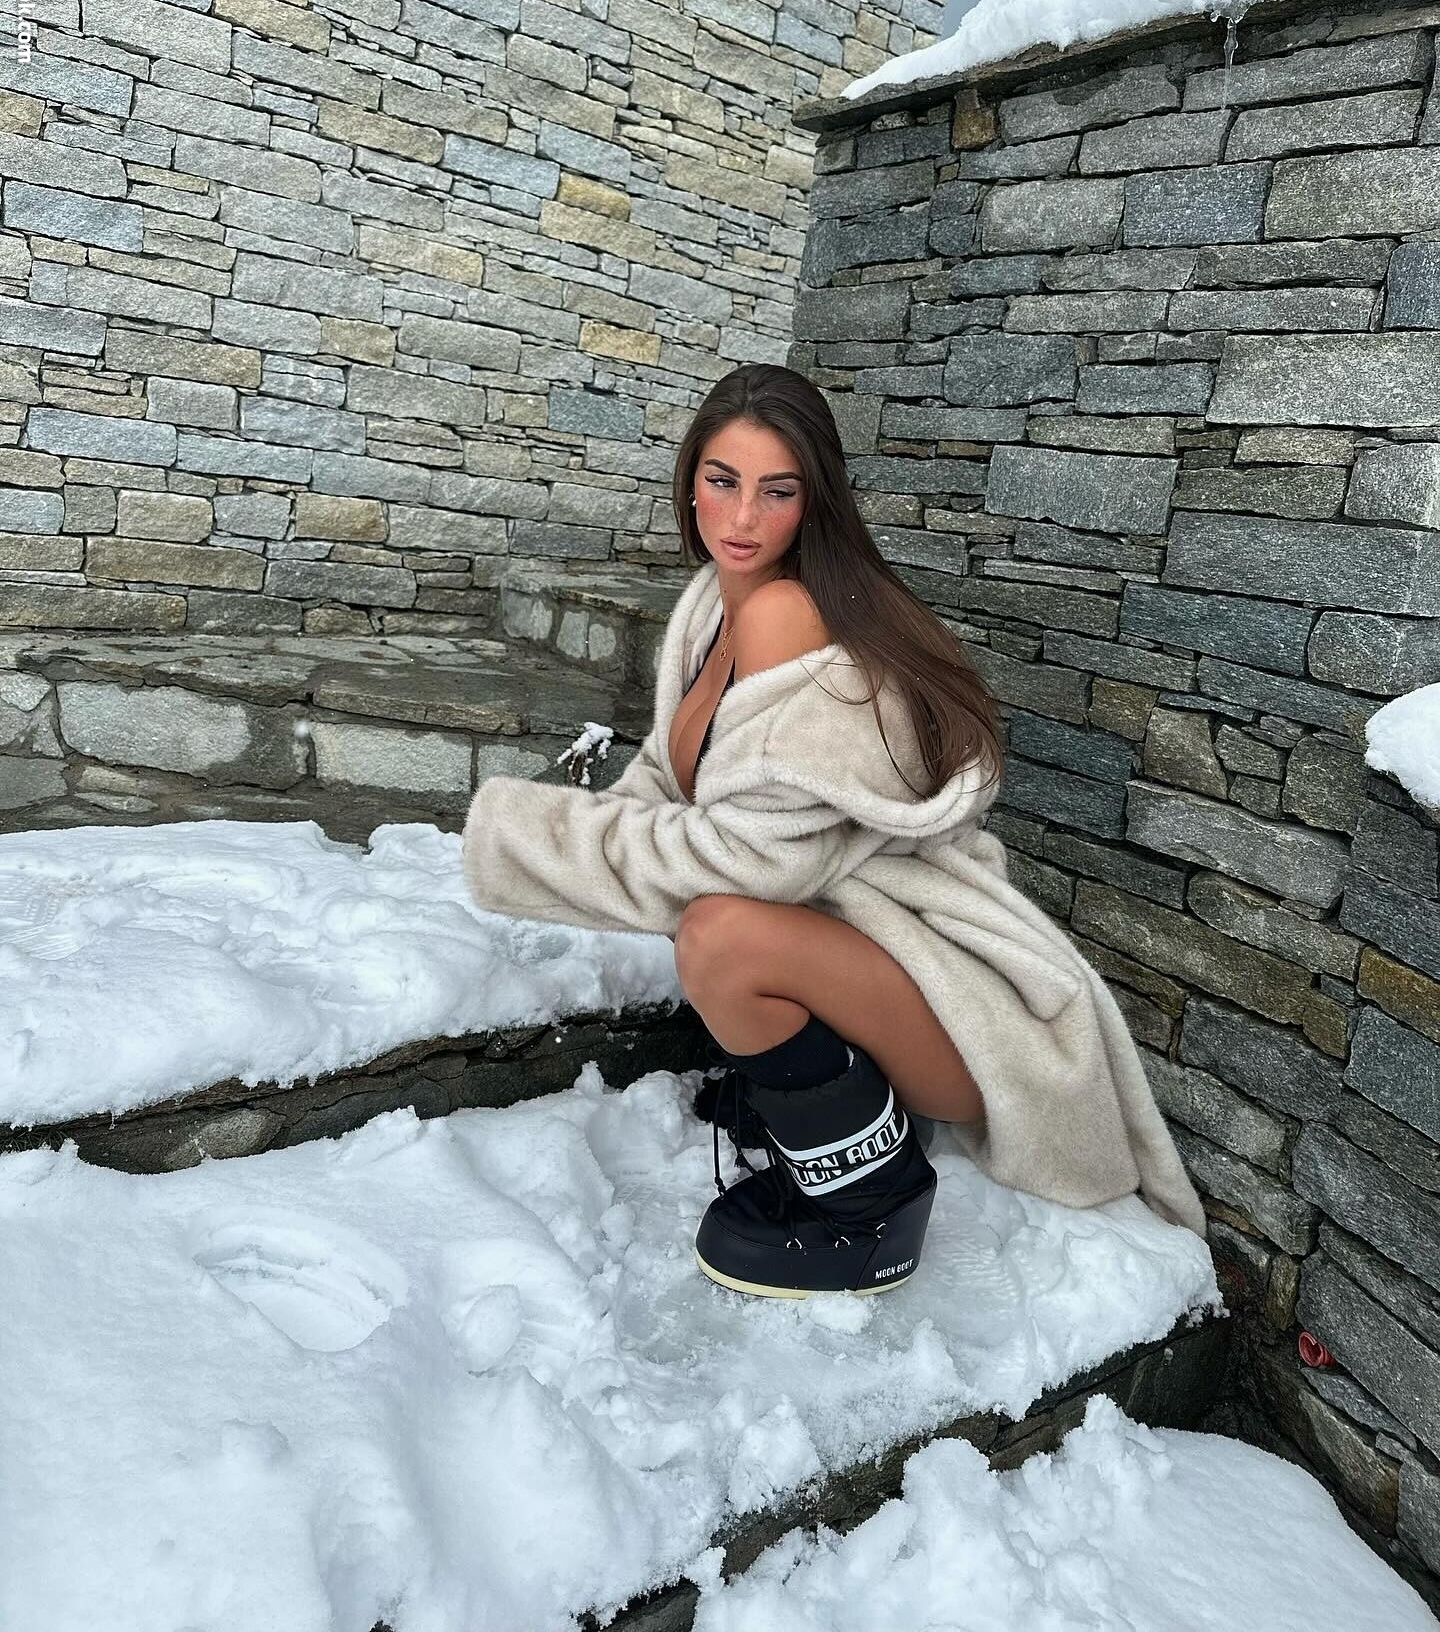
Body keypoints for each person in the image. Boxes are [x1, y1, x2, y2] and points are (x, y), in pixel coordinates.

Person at [460, 364, 1208, 1301]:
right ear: (690, 478)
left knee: (719, 938)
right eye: (723, 480)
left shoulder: (788, 615)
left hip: (954, 1010)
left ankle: (871, 1205)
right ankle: (828, 1094)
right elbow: (670, 772)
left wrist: (531, 839)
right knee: (718, 930)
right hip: (864, 964)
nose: (742, 517)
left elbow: (755, 860)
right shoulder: (715, 604)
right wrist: (586, 821)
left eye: (777, 491)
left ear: (814, 501)